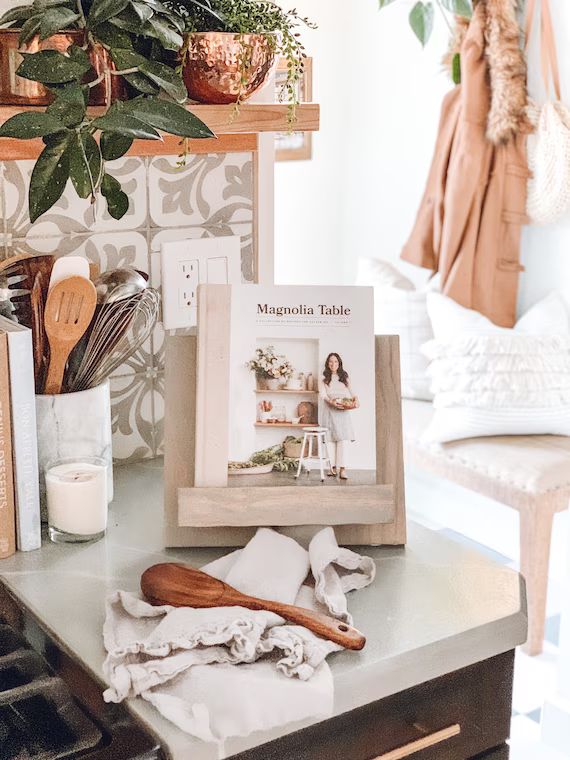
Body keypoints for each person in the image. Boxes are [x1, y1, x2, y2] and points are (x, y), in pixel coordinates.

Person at [319, 352, 359, 480]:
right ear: (327, 363)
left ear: (339, 363)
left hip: (343, 411)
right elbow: (323, 395)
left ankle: (342, 469)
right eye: (331, 362)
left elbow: (352, 391)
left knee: (342, 440)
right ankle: (332, 468)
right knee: (330, 440)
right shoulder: (323, 377)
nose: (333, 364)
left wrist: (356, 400)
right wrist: (331, 402)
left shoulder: (344, 376)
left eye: (335, 362)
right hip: (330, 410)